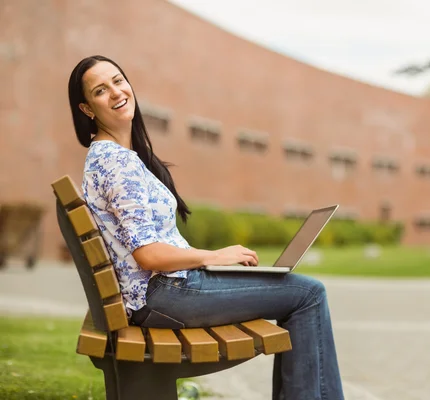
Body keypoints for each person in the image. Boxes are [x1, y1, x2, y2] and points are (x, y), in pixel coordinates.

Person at [67, 55, 345, 400]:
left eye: (118, 80)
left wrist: (208, 261)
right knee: (308, 295)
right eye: (100, 90)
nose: (116, 92)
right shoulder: (115, 161)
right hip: (163, 295)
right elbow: (149, 254)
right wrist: (215, 256)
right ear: (87, 108)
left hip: (162, 292)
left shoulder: (115, 156)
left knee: (302, 291)